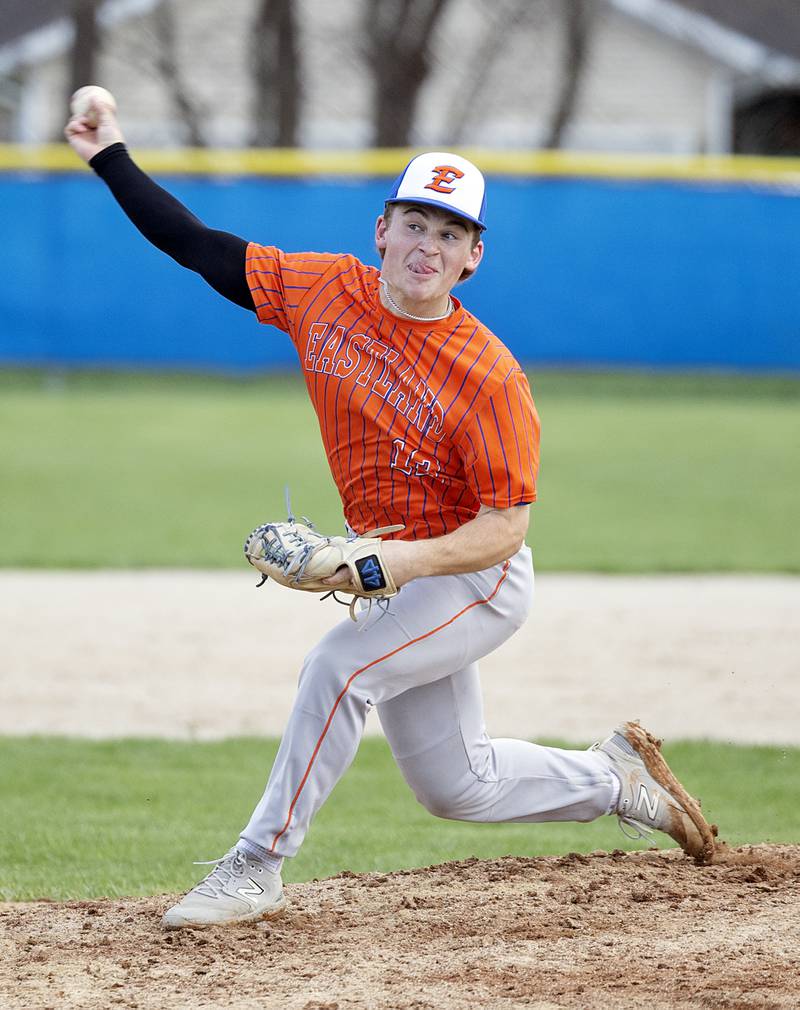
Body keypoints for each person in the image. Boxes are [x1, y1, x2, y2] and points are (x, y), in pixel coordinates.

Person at [65, 96, 715, 929]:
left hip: (472, 575)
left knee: (338, 668)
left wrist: (388, 563)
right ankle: (613, 777)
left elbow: (504, 528)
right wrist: (109, 152)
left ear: (473, 257)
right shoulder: (321, 291)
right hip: (399, 571)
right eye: (415, 223)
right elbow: (196, 247)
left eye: (449, 233)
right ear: (382, 230)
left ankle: (257, 863)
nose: (428, 246)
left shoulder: (489, 376)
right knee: (458, 785)